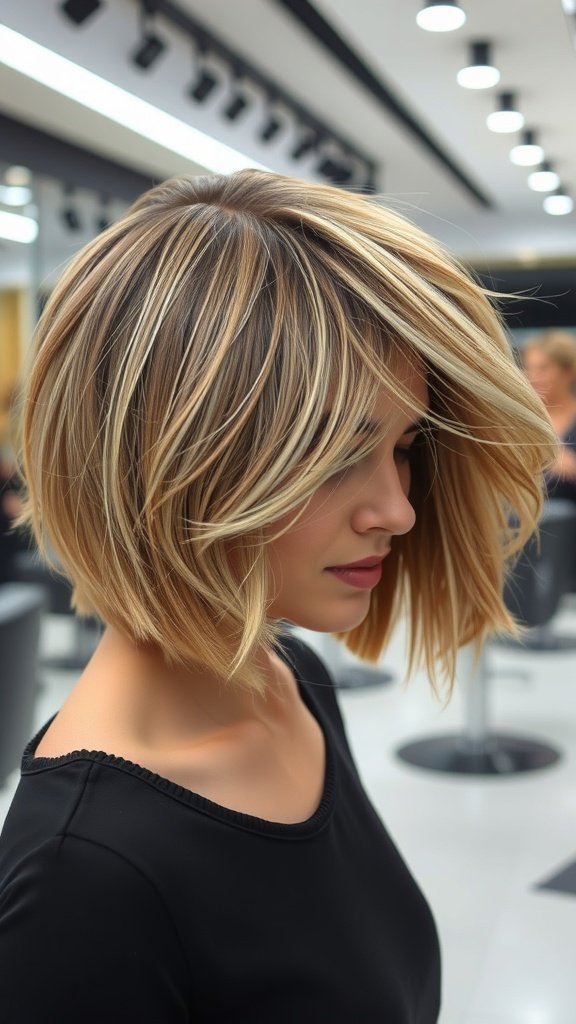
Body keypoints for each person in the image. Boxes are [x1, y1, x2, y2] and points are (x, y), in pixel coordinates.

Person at [0, 170, 556, 1023]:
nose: (399, 510)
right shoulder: (85, 881)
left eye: (405, 446)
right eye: (336, 456)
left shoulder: (287, 675)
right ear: (168, 460)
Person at [522, 329, 576, 504]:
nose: (533, 377)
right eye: (528, 368)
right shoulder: (520, 420)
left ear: (568, 372)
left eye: (543, 369)